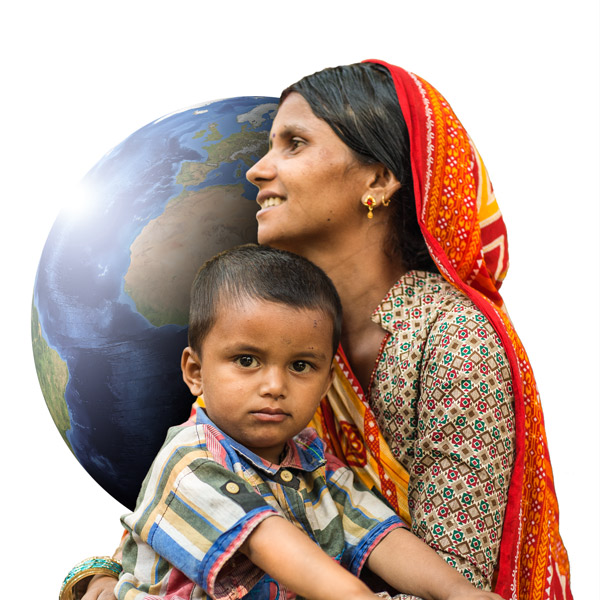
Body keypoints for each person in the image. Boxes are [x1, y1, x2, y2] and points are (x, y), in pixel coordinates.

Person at [64, 60, 571, 600]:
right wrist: (100, 580)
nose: (257, 170)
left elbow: (451, 585)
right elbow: (187, 502)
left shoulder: (452, 343)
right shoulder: (267, 337)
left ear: (377, 179)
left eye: (294, 144)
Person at [112, 243, 502, 600]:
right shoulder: (189, 461)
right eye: (247, 360)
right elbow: (266, 539)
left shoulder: (312, 462)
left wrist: (458, 592)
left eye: (301, 365)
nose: (275, 386)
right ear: (195, 371)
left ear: (326, 382)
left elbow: (375, 532)